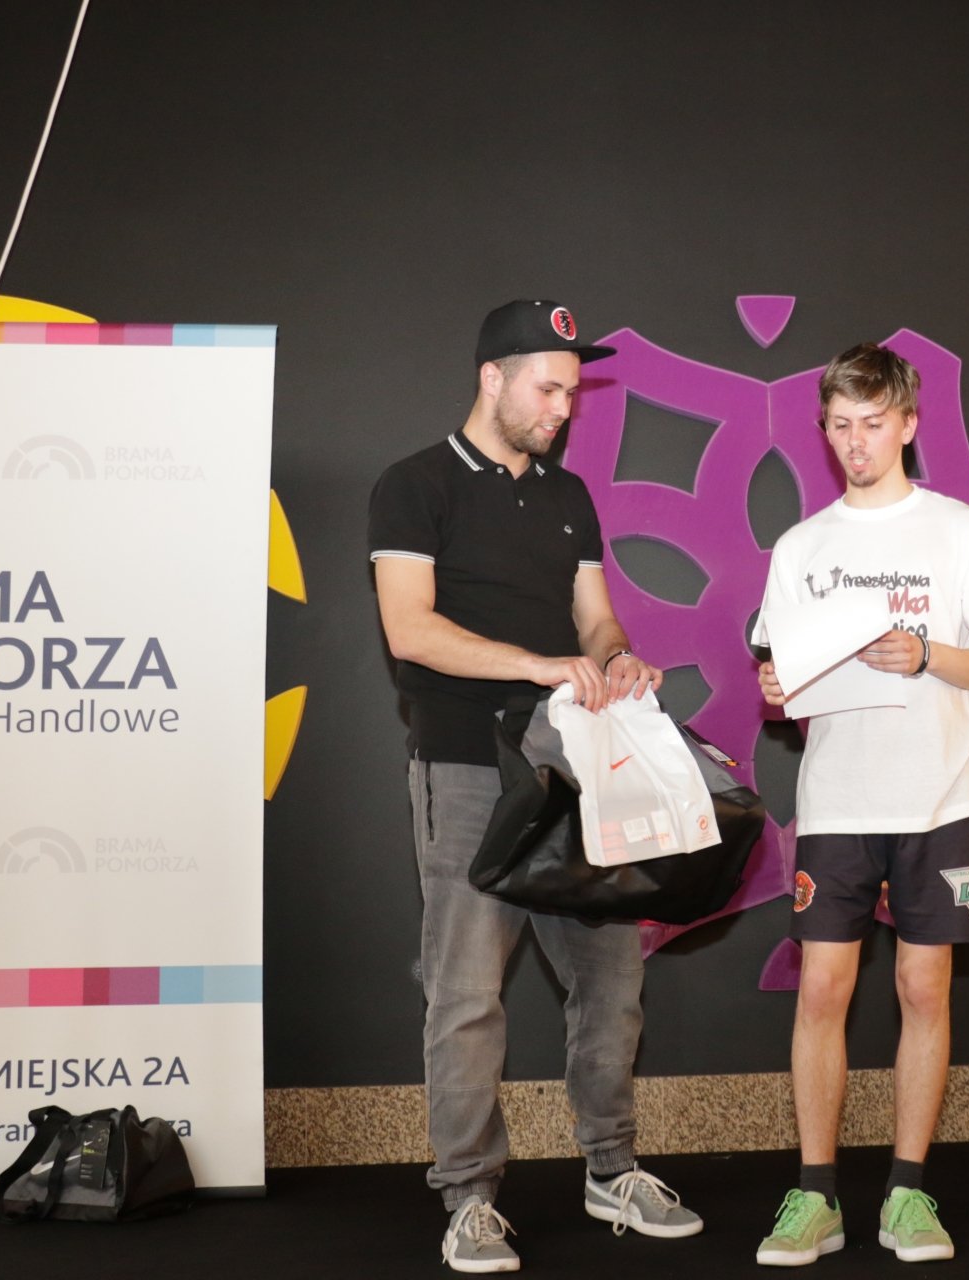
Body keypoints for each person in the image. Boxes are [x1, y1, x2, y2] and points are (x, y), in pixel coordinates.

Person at [368, 299, 701, 1273]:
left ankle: (612, 1168)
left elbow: (596, 620)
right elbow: (410, 630)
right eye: (548, 389)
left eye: (571, 392)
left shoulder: (569, 495)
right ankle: (469, 1197)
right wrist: (540, 665)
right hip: (467, 766)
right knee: (466, 994)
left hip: (575, 774)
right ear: (493, 378)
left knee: (613, 983)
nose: (564, 408)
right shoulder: (414, 485)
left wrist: (617, 658)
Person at [750, 343, 969, 1266]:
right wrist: (776, 687)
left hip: (941, 796)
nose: (856, 442)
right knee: (822, 990)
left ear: (908, 423)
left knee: (922, 987)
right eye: (840, 425)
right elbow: (778, 676)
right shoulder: (801, 546)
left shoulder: (962, 532)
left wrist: (927, 654)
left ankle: (908, 1192)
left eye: (873, 423)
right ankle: (815, 1195)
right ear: (824, 430)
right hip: (837, 800)